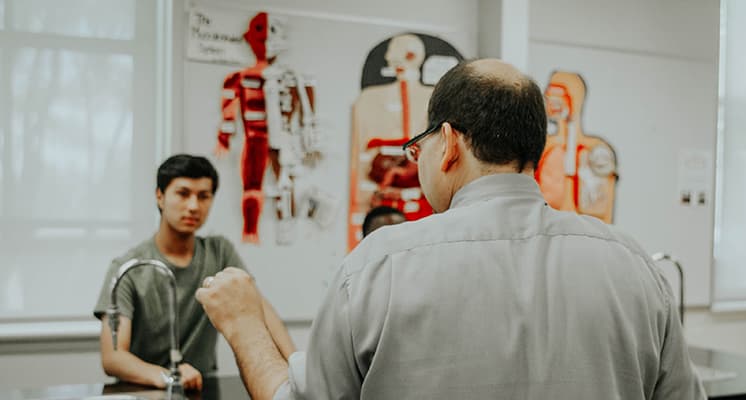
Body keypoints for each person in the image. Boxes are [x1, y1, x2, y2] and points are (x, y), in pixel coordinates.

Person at [197, 59, 705, 399]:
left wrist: (242, 324)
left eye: (418, 149)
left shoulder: (378, 266)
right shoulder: (631, 264)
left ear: (449, 143)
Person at [93, 154, 295, 391]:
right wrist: (169, 377)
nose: (193, 206)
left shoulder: (219, 252)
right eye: (183, 193)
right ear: (160, 196)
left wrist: (299, 371)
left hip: (202, 390)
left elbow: (259, 309)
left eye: (203, 196)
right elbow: (113, 357)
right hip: (146, 391)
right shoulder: (127, 268)